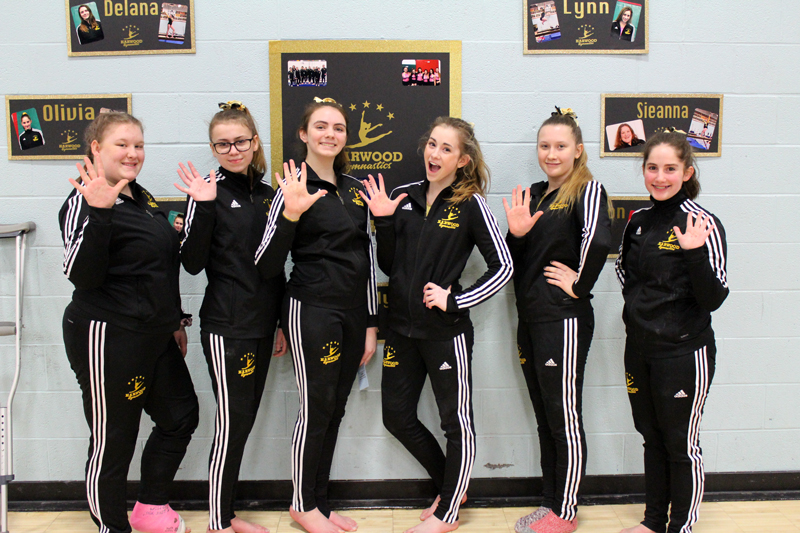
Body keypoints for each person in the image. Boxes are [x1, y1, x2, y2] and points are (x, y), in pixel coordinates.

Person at [362, 117, 513, 533]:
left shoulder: (471, 204)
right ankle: (452, 485)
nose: (435, 154)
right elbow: (389, 266)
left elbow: (503, 267)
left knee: (455, 422)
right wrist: (384, 221)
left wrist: (455, 299)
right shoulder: (402, 196)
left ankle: (448, 514)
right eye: (432, 144)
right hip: (402, 332)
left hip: (446, 334)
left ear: (462, 160)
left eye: (447, 149)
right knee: (396, 416)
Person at [59, 111, 198, 533]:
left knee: (181, 416)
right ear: (96, 149)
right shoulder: (83, 201)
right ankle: (111, 527)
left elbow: (160, 266)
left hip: (154, 334)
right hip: (108, 334)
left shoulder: (141, 197)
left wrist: (174, 319)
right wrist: (98, 213)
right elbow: (80, 274)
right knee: (113, 438)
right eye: (122, 144)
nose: (133, 153)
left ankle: (150, 507)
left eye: (138, 145)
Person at [255, 98, 378, 533]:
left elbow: (365, 258)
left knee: (335, 408)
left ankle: (319, 504)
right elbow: (267, 263)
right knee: (315, 407)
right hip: (312, 309)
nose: (331, 133)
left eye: (339, 127)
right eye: (321, 126)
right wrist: (291, 211)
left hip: (351, 313)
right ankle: (301, 504)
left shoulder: (353, 187)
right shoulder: (291, 185)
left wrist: (369, 323)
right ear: (304, 135)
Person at [176, 101, 287, 533]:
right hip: (227, 326)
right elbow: (191, 262)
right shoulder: (207, 191)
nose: (233, 149)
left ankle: (225, 513)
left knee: (243, 418)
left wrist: (278, 321)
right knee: (232, 420)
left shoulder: (268, 194)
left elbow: (275, 267)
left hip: (262, 324)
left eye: (240, 141)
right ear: (214, 148)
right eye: (222, 144)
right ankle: (219, 520)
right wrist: (203, 206)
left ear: (254, 141)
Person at [504, 108, 612, 533]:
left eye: (561, 146)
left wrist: (579, 285)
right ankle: (550, 503)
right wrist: (516, 234)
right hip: (530, 318)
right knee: (546, 415)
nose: (552, 153)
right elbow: (516, 263)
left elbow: (599, 240)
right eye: (545, 146)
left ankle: (566, 512)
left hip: (563, 320)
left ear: (578, 150)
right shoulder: (533, 194)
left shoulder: (586, 189)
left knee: (563, 413)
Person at [616, 132, 728, 533]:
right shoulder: (638, 222)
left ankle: (680, 526)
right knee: (651, 437)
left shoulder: (703, 223)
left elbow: (713, 297)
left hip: (683, 353)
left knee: (680, 442)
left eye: (669, 169)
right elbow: (626, 276)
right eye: (652, 168)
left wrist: (694, 252)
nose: (659, 177)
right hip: (639, 350)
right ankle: (652, 523)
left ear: (687, 172)